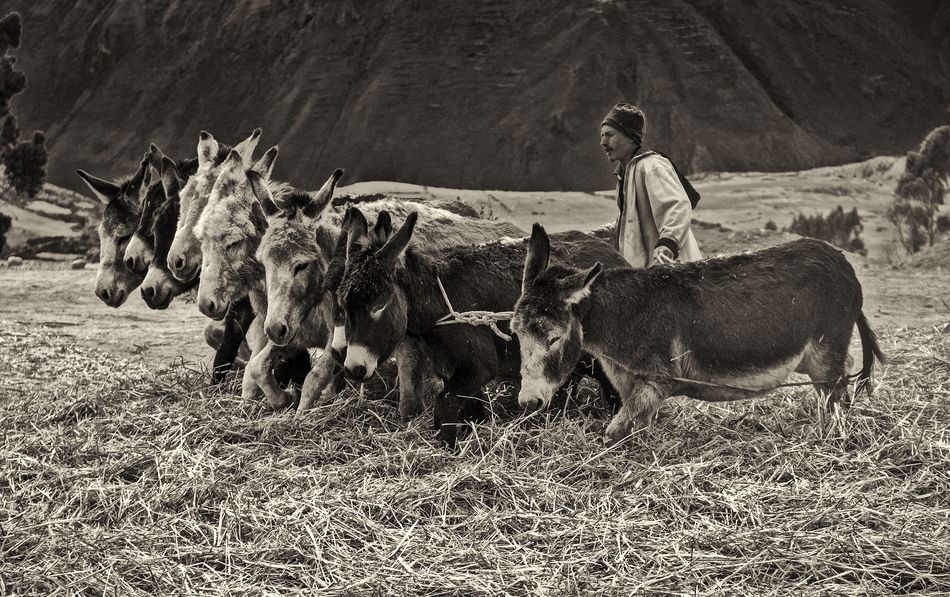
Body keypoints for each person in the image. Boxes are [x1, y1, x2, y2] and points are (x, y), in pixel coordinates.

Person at [600, 103, 702, 267]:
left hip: (672, 270)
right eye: (602, 135)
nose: (603, 142)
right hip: (648, 275)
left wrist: (668, 243)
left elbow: (678, 205)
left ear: (629, 136)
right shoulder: (626, 174)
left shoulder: (651, 166)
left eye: (609, 135)